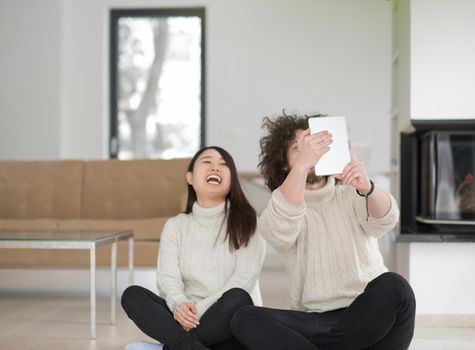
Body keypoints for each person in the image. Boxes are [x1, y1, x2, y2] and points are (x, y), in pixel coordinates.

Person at [231, 113, 416, 350]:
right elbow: (279, 233)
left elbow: (386, 221)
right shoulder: (281, 205)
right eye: (300, 148)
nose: (311, 152)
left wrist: (367, 186)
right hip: (318, 319)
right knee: (245, 318)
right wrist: (302, 166)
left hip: (370, 316)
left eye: (315, 145)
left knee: (396, 286)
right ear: (285, 163)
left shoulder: (352, 193)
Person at [122, 146, 266, 350]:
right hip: (184, 313)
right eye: (207, 162)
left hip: (224, 318)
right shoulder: (175, 225)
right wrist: (179, 304)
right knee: (133, 295)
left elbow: (244, 279)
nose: (215, 167)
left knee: (238, 297)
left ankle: (170, 347)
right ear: (190, 177)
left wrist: (196, 313)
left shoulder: (249, 222)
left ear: (232, 179)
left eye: (223, 165)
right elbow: (167, 277)